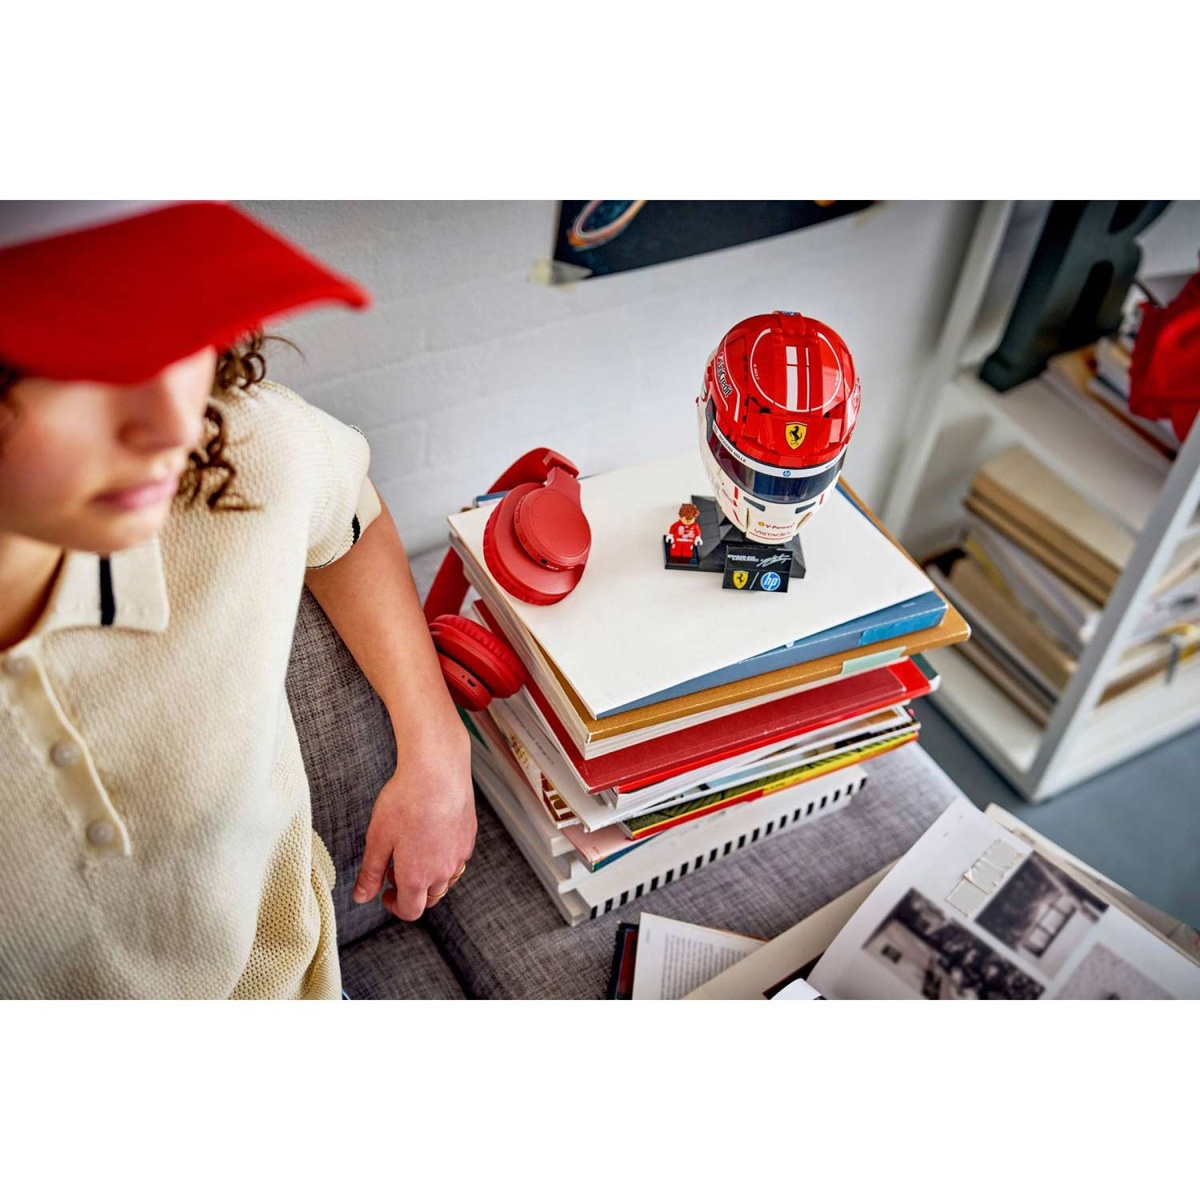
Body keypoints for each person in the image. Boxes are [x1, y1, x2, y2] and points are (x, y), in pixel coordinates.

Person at [0, 202, 476, 999]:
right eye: (93, 361)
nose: (173, 423)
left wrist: (437, 753)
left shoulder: (242, 454)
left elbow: (349, 517)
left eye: (185, 333)